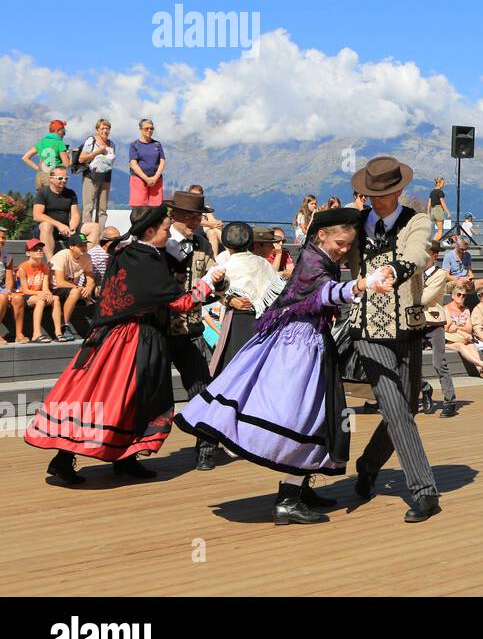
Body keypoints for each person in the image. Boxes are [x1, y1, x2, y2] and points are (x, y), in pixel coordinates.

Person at [176, 208, 394, 525]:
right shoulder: (313, 261)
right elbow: (325, 293)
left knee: (318, 417)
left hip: (308, 342)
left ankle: (300, 486)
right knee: (302, 419)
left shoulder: (319, 256)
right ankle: (289, 499)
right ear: (321, 235)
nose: (344, 250)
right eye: (341, 243)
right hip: (298, 348)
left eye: (349, 245)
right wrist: (362, 285)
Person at [25, 206, 223, 484]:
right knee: (115, 397)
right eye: (166, 229)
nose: (168, 233)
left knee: (117, 398)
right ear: (151, 231)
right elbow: (180, 302)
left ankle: (123, 458)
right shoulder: (146, 259)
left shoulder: (127, 253)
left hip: (115, 335)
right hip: (133, 338)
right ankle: (68, 459)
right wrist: (207, 282)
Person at [342, 156, 441, 523]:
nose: (374, 200)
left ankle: (368, 466)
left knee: (408, 407)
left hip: (407, 328)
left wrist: (394, 269)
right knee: (395, 408)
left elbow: (416, 254)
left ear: (398, 191)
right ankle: (424, 491)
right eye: (369, 194)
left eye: (381, 194)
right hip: (366, 331)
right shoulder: (354, 223)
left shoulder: (416, 220)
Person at [161, 189, 224, 471]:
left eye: (197, 215)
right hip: (159, 330)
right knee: (146, 391)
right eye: (188, 215)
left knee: (201, 388)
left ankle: (206, 448)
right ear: (175, 215)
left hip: (193, 328)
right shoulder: (159, 242)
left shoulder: (201, 243)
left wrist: (222, 284)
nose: (194, 220)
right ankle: (130, 453)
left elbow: (214, 274)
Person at [206, 224, 286, 379]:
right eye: (269, 244)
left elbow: (213, 291)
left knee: (236, 367)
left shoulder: (228, 263)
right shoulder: (258, 263)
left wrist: (228, 299)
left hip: (241, 321)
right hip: (254, 321)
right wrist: (230, 299)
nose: (273, 247)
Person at [420, 243, 456, 417]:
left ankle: (450, 401)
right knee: (407, 363)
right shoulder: (415, 273)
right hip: (414, 323)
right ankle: (425, 389)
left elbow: (425, 297)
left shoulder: (440, 274)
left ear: (434, 255)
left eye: (426, 253)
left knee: (439, 363)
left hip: (434, 322)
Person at [49, 233, 97, 342]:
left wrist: (88, 289)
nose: (84, 248)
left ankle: (97, 329)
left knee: (96, 294)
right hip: (54, 288)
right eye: (81, 246)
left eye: (85, 245)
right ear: (71, 247)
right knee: (77, 291)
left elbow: (90, 280)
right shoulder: (62, 255)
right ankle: (65, 325)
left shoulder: (87, 257)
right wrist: (80, 288)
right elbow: (60, 282)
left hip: (71, 289)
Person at [15, 238, 61, 344]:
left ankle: (58, 333)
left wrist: (48, 293)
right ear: (28, 253)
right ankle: (36, 334)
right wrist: (39, 293)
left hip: (38, 294)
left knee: (56, 298)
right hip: (25, 296)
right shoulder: (23, 267)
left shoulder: (44, 267)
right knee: (40, 301)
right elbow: (25, 290)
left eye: (40, 249)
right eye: (35, 249)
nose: (39, 251)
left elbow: (45, 287)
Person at [33, 166, 81, 259]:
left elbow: (75, 214)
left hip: (66, 229)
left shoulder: (71, 193)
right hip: (46, 230)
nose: (63, 181)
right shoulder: (43, 193)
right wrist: (59, 225)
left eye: (66, 178)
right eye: (60, 178)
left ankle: (85, 262)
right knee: (46, 225)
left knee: (93, 227)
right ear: (51, 179)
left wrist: (72, 229)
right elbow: (37, 215)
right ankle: (51, 263)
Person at [74, 118, 116, 224]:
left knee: (102, 209)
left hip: (106, 178)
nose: (105, 131)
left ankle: (100, 235)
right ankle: (88, 234)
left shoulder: (112, 144)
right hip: (91, 176)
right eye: (102, 128)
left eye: (107, 128)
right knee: (88, 207)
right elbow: (81, 158)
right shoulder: (91, 141)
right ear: (97, 130)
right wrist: (97, 152)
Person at [23, 119, 71, 191]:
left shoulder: (42, 142)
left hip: (41, 176)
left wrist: (38, 168)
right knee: (55, 200)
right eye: (63, 131)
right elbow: (67, 164)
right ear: (57, 131)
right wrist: (71, 156)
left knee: (41, 200)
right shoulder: (59, 143)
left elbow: (25, 157)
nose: (64, 134)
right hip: (54, 178)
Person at [127, 119, 165, 207]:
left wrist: (155, 177)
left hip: (156, 180)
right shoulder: (134, 145)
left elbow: (162, 161)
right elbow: (133, 164)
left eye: (151, 128)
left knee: (156, 207)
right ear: (140, 129)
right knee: (138, 207)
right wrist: (146, 179)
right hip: (138, 179)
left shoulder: (157, 144)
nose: (149, 130)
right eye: (146, 128)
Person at [0, 229, 16, 343]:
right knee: (2, 298)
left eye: (4, 238)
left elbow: (9, 280)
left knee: (17, 299)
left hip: (1, 287)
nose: (2, 240)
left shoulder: (7, 257)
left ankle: (19, 334)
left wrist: (8, 290)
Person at [426, 178, 451, 244]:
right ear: (439, 183)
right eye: (443, 183)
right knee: (440, 230)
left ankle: (433, 243)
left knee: (438, 231)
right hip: (438, 210)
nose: (444, 185)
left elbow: (429, 203)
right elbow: (442, 202)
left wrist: (428, 211)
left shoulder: (432, 192)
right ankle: (434, 246)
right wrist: (448, 212)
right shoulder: (440, 192)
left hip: (432, 210)